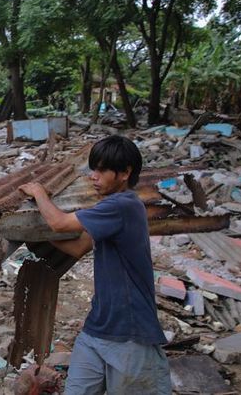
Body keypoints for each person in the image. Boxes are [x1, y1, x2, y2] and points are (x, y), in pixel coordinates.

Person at [18, 135, 170, 394]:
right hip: (98, 327)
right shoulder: (113, 208)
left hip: (130, 333)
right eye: (93, 169)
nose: (93, 176)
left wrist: (39, 193)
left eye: (101, 170)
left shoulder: (123, 205)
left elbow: (60, 224)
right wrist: (28, 232)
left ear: (125, 173)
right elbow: (78, 246)